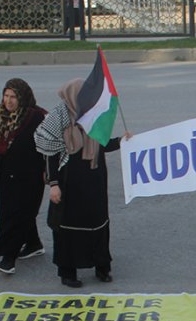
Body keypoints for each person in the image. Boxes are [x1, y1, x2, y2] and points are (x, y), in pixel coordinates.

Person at [34, 79, 128, 289]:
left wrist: (122, 141)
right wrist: (54, 184)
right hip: (69, 182)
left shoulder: (92, 114)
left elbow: (101, 144)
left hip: (94, 179)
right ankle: (68, 272)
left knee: (98, 222)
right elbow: (49, 154)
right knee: (69, 226)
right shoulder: (58, 117)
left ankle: (101, 266)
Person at [0, 78, 48, 275]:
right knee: (15, 213)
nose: (8, 101)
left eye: (13, 97)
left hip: (29, 177)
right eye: (6, 95)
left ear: (23, 97)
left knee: (17, 216)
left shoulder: (35, 117)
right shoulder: (0, 112)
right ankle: (34, 244)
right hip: (5, 175)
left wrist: (48, 172)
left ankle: (8, 258)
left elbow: (50, 145)